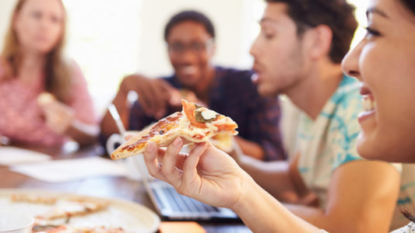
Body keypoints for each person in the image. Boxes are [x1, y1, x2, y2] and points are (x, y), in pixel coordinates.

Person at [142, 0, 415, 232]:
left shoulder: (356, 104)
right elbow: (295, 178)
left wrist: (247, 203)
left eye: (269, 34)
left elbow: (354, 227)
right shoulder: (318, 110)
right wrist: (236, 163)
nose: (252, 49)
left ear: (317, 42)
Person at [100, 10, 285, 161]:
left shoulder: (251, 85)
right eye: (177, 47)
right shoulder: (161, 90)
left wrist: (209, 124)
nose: (187, 57)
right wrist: (123, 89)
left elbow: (272, 155)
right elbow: (112, 141)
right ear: (167, 50)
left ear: (213, 48)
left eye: (197, 46)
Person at [0, 0, 98, 147]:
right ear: (16, 19)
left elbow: (95, 133)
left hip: (52, 163)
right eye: (36, 15)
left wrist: (71, 127)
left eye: (55, 19)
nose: (45, 26)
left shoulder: (70, 73)